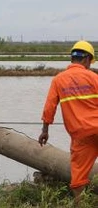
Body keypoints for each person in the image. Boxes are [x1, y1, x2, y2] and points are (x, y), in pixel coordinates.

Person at [38, 40, 98, 205]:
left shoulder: (59, 80)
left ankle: (79, 204)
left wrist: (45, 130)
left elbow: (49, 107)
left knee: (78, 175)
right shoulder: (94, 77)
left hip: (81, 135)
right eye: (90, 62)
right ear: (86, 59)